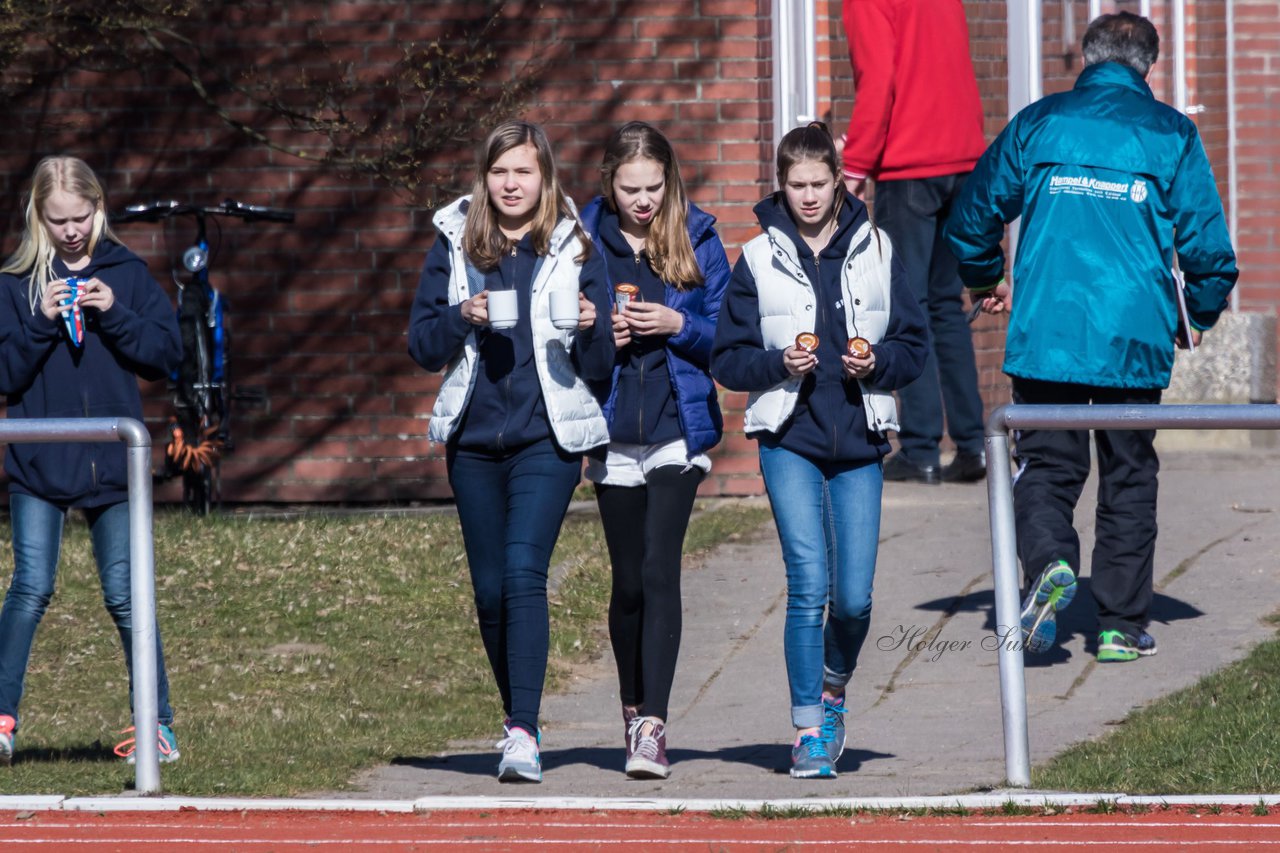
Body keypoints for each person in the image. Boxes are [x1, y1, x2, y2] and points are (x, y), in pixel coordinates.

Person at [944, 13, 1238, 663]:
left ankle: (1049, 561)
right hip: (1132, 337)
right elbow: (1212, 255)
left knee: (1048, 464)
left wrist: (986, 274)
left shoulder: (1041, 123)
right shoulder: (1170, 133)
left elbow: (971, 216)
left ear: (1087, 57)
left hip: (1048, 327)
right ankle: (1120, 625)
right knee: (1129, 472)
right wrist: (1193, 318)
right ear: (1148, 67)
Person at [712, 122, 927, 778]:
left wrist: (877, 362)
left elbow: (914, 347)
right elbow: (727, 357)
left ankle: (834, 686)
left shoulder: (879, 248)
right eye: (795, 184)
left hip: (860, 438)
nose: (807, 196)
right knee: (808, 582)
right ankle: (808, 727)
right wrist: (779, 360)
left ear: (840, 180)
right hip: (789, 438)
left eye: (818, 182)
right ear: (780, 185)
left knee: (855, 598)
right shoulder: (756, 258)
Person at [407, 119, 615, 783]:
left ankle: (522, 731)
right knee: (492, 592)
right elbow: (419, 343)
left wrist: (589, 327)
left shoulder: (576, 243)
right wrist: (459, 316)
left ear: (543, 175)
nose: (511, 183)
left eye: (523, 171)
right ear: (485, 177)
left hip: (546, 439)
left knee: (525, 571)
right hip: (472, 442)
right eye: (500, 172)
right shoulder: (454, 242)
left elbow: (603, 361)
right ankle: (517, 712)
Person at [0, 156, 183, 766]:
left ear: (99, 209)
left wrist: (116, 314)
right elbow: (5, 372)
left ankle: (156, 726)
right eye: (58, 221)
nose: (71, 231)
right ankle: (2, 718)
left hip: (113, 466)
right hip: (38, 460)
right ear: (38, 218)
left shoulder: (126, 273)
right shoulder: (15, 281)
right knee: (30, 587)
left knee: (128, 595)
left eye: (80, 217)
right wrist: (40, 321)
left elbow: (165, 354)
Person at [579, 121, 730, 779]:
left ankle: (654, 728)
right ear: (609, 185)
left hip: (676, 427)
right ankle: (631, 701)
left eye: (653, 187)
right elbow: (556, 339)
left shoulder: (697, 237)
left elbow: (729, 335)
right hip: (611, 433)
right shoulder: (582, 244)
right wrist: (599, 340)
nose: (643, 201)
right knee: (630, 582)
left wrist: (678, 325)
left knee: (661, 565)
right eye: (629, 188)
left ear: (670, 182)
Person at [840, 0, 989, 485]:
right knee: (946, 306)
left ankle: (921, 447)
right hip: (961, 158)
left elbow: (878, 79)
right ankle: (974, 445)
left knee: (910, 307)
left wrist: (856, 164)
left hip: (911, 164)